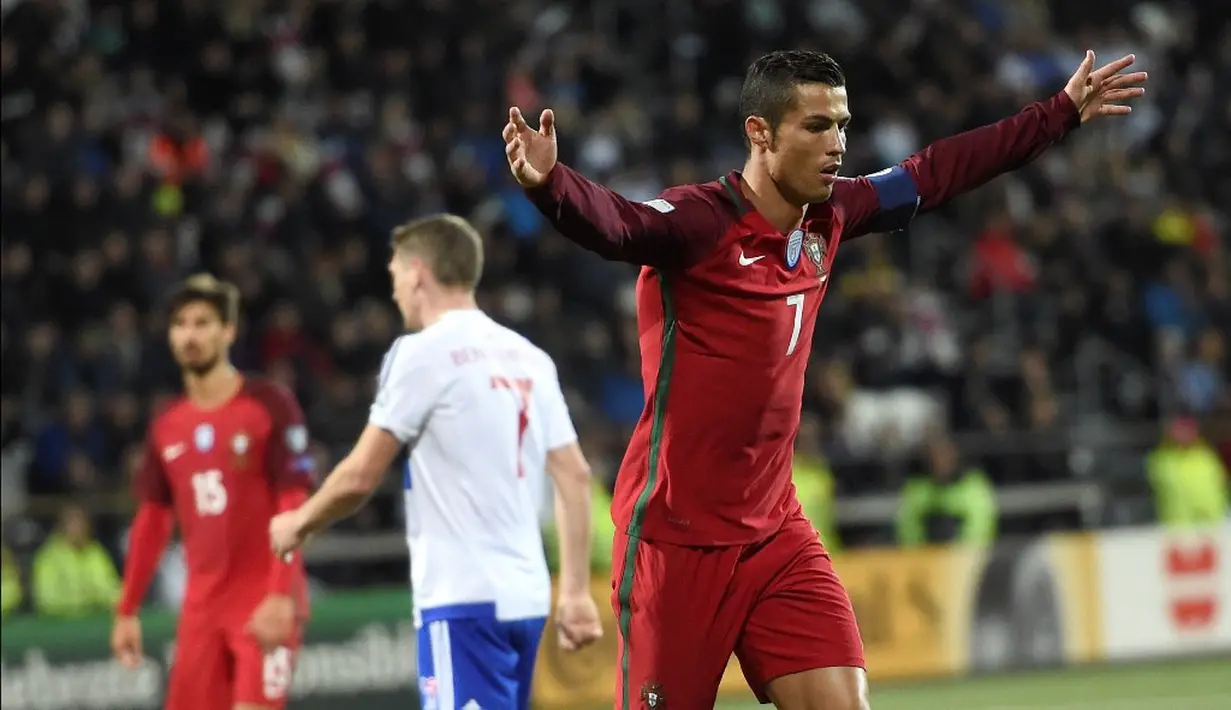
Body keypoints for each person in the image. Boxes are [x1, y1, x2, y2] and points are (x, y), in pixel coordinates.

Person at [503, 48, 1147, 710]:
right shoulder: (700, 224)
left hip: (774, 532)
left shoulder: (831, 215)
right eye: (815, 126)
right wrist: (551, 186)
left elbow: (938, 173)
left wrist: (1059, 114)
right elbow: (619, 223)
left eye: (840, 124)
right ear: (760, 133)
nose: (836, 143)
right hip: (678, 540)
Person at [269, 214, 603, 710]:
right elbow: (574, 477)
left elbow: (361, 475)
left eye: (396, 277)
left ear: (418, 271)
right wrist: (574, 592)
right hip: (527, 598)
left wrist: (298, 523)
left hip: (461, 600)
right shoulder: (529, 357)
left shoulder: (422, 353)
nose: (396, 291)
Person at [111, 274, 317, 710]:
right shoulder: (168, 423)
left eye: (203, 322)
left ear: (229, 330)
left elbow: (294, 502)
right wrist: (127, 608)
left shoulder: (268, 404)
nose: (190, 335)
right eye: (181, 324)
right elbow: (151, 519)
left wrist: (281, 593)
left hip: (264, 599)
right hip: (201, 610)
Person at [32, 504, 122, 617]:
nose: (78, 529)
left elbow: (112, 592)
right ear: (62, 527)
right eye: (72, 523)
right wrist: (87, 600)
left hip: (95, 620)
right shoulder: (48, 557)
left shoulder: (96, 553)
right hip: (58, 624)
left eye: (81, 524)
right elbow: (47, 599)